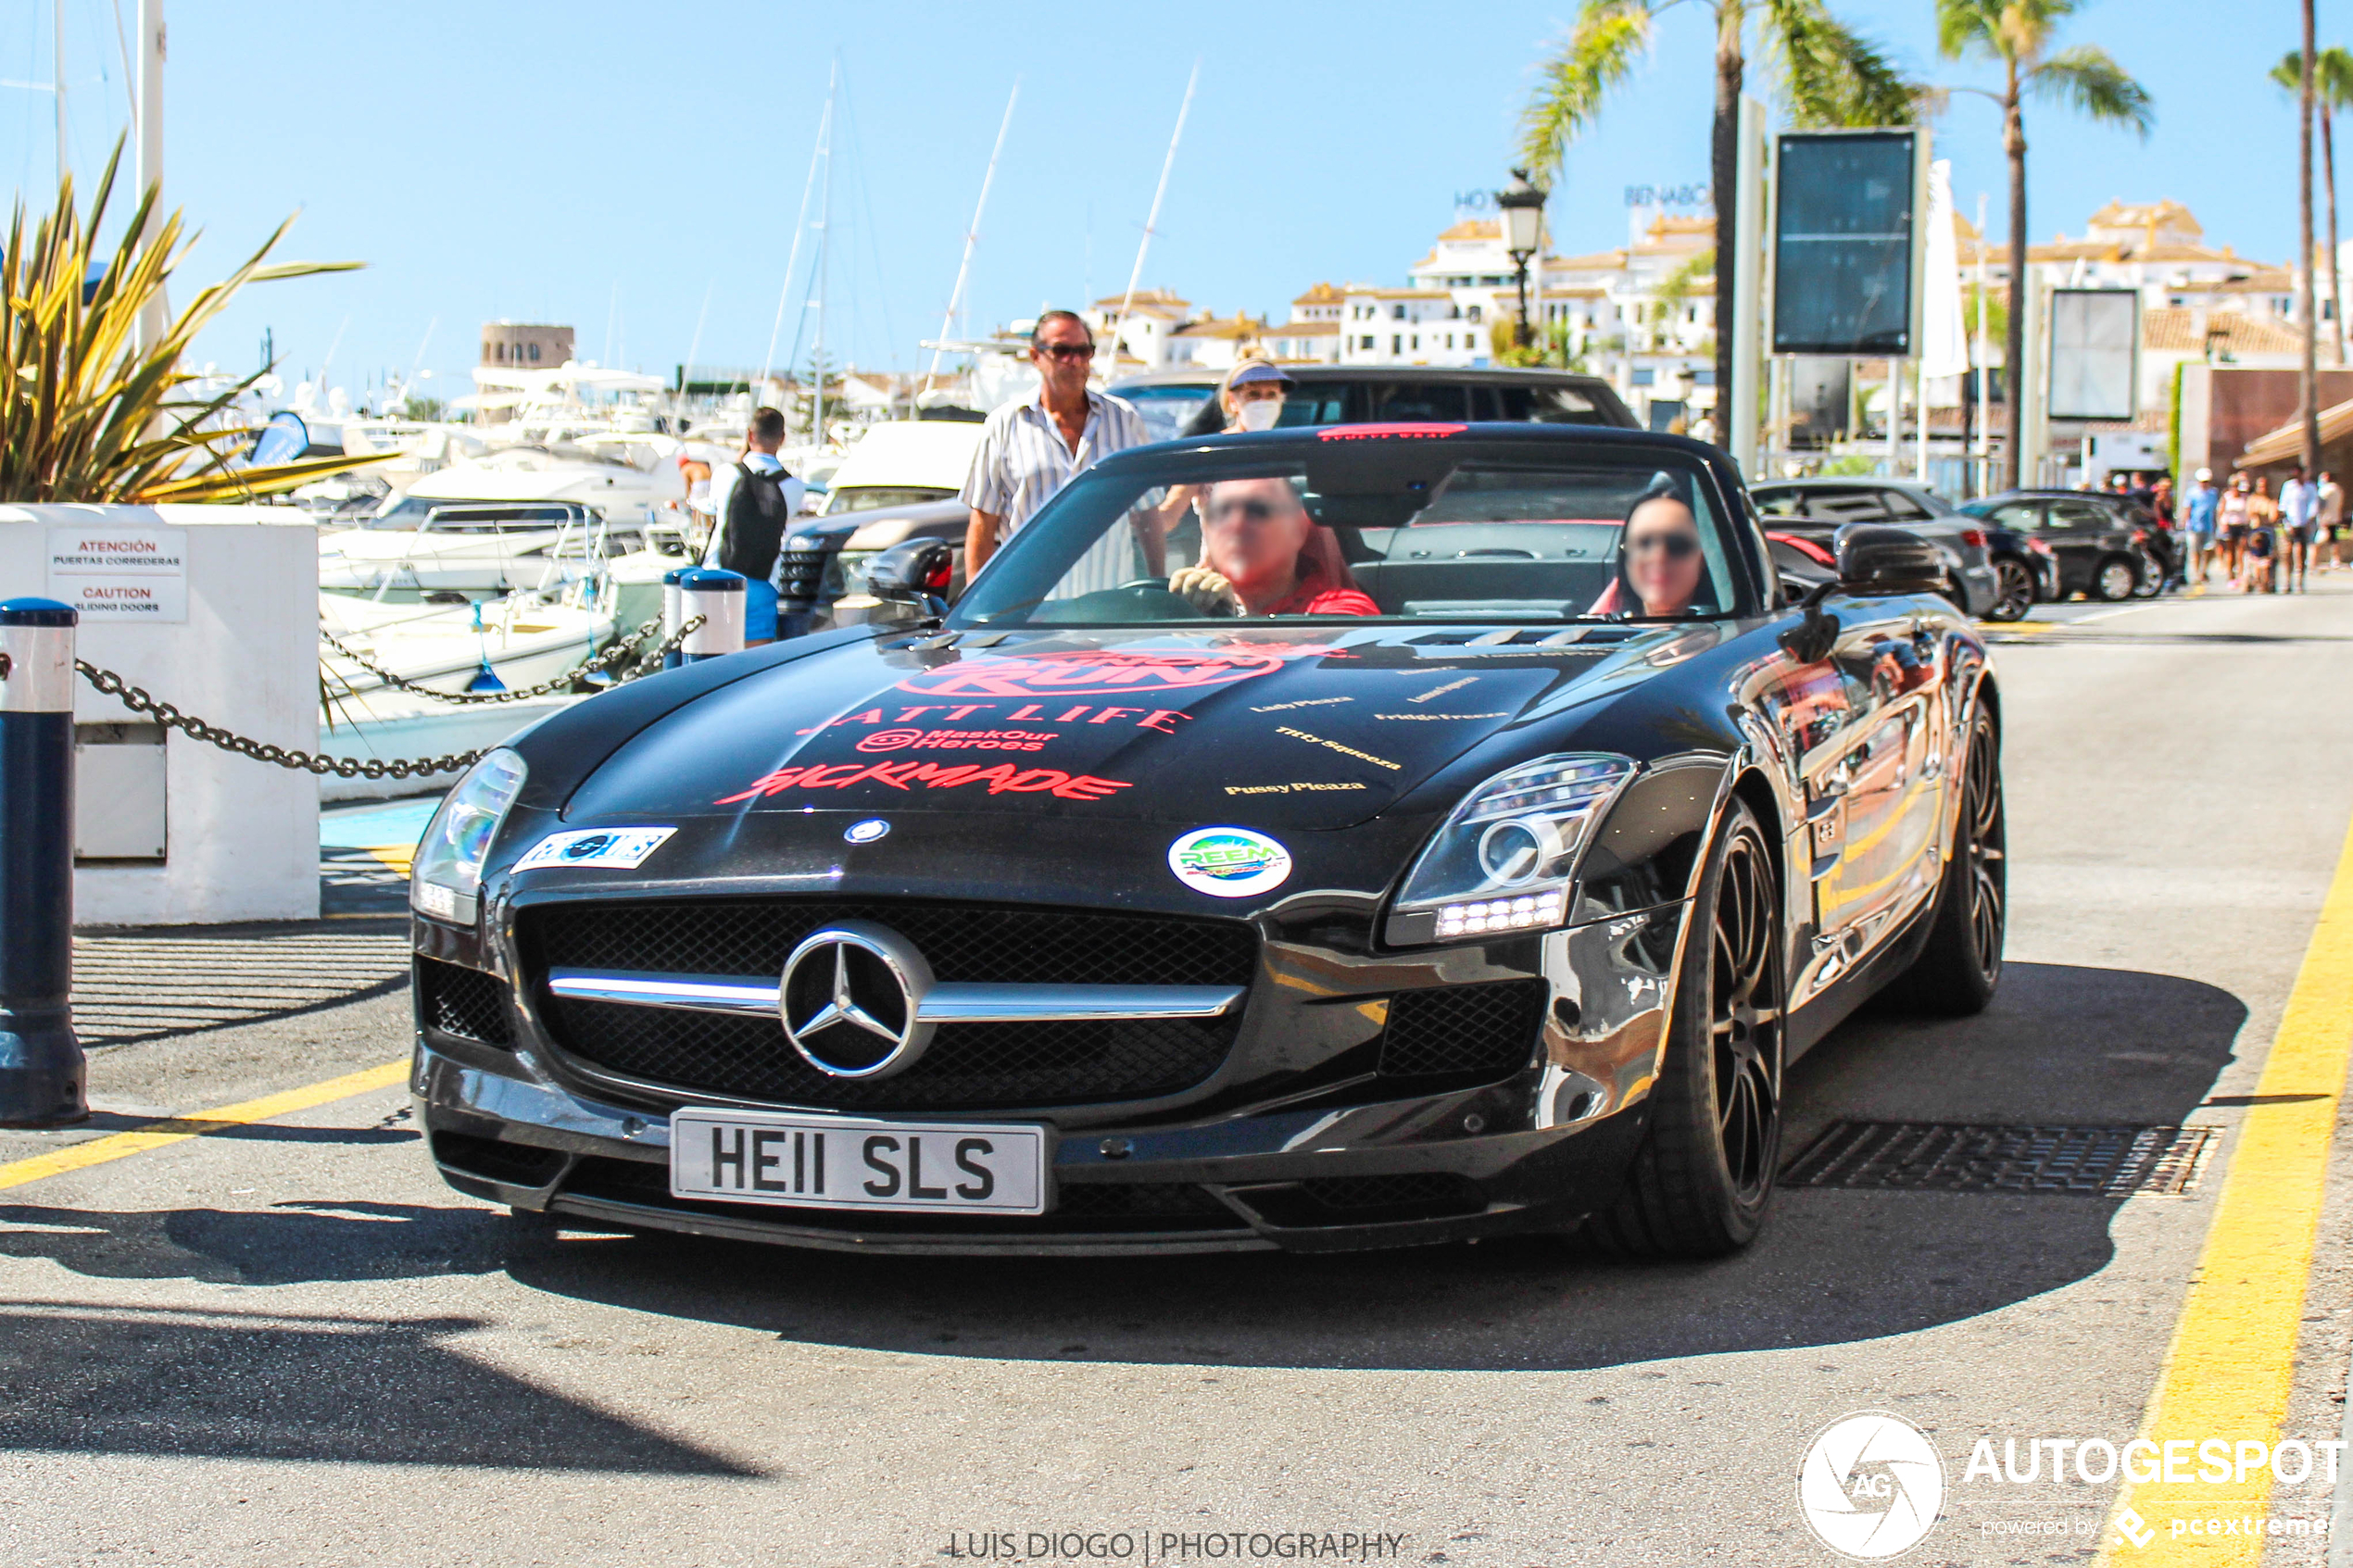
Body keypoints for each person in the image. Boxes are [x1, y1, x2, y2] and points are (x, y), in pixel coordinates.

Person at [962, 310, 1151, 594]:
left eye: (1083, 351)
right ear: (1035, 356)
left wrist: (1157, 587)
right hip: (1028, 612)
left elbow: (1147, 516)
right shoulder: (1004, 425)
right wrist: (976, 612)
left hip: (1108, 611)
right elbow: (982, 524)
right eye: (1062, 351)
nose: (1074, 361)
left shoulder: (1125, 419)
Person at [1166, 477, 1378, 617]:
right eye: (1222, 513)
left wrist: (1229, 625)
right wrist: (1179, 606)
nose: (1236, 525)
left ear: (1297, 531)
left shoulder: (1346, 613)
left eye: (1258, 512)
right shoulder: (1186, 606)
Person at [704, 406, 805, 646]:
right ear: (782, 439)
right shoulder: (794, 486)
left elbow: (712, 510)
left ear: (750, 436)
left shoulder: (725, 473)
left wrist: (742, 453)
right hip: (764, 581)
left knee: (712, 659)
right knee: (755, 663)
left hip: (719, 577)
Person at [1587, 487, 1708, 619]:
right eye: (1644, 543)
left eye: (1676, 545)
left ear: (1703, 558)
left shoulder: (1727, 632)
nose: (1658, 557)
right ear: (1626, 556)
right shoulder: (1598, 631)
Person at [2280, 464, 2316, 593]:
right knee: (2288, 553)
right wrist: (2287, 523)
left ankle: (2300, 582)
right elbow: (2283, 506)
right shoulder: (2288, 487)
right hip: (2290, 523)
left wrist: (2309, 522)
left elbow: (2313, 505)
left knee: (2301, 553)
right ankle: (2287, 581)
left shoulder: (2309, 487)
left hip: (2304, 523)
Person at [2182, 468, 2220, 585]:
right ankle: (2198, 573)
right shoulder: (2192, 493)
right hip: (2195, 526)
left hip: (2209, 526)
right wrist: (2186, 522)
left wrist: (2217, 524)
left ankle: (2204, 570)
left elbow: (2215, 510)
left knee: (2209, 550)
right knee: (2196, 550)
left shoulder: (2213, 493)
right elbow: (2188, 508)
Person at [2247, 476, 2281, 593]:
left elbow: (2273, 516)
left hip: (2268, 531)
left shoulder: (2271, 500)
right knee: (2255, 557)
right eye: (2260, 486)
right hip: (2256, 531)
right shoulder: (2253, 499)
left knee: (2270, 557)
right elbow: (2250, 513)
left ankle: (2269, 582)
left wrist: (2262, 515)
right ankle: (2255, 580)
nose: (2263, 488)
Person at [2219, 475, 2251, 586]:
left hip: (2241, 525)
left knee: (2241, 550)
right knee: (2230, 552)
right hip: (2230, 525)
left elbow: (2248, 511)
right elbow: (2221, 512)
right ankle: (2230, 575)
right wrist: (2222, 524)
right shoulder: (2227, 497)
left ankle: (2241, 575)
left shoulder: (2244, 497)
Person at [2321, 470, 2347, 571]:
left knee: (2317, 541)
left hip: (2326, 518)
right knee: (2334, 540)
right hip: (2335, 517)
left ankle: (2311, 561)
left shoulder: (2326, 490)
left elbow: (2321, 503)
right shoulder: (2338, 489)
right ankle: (2336, 559)